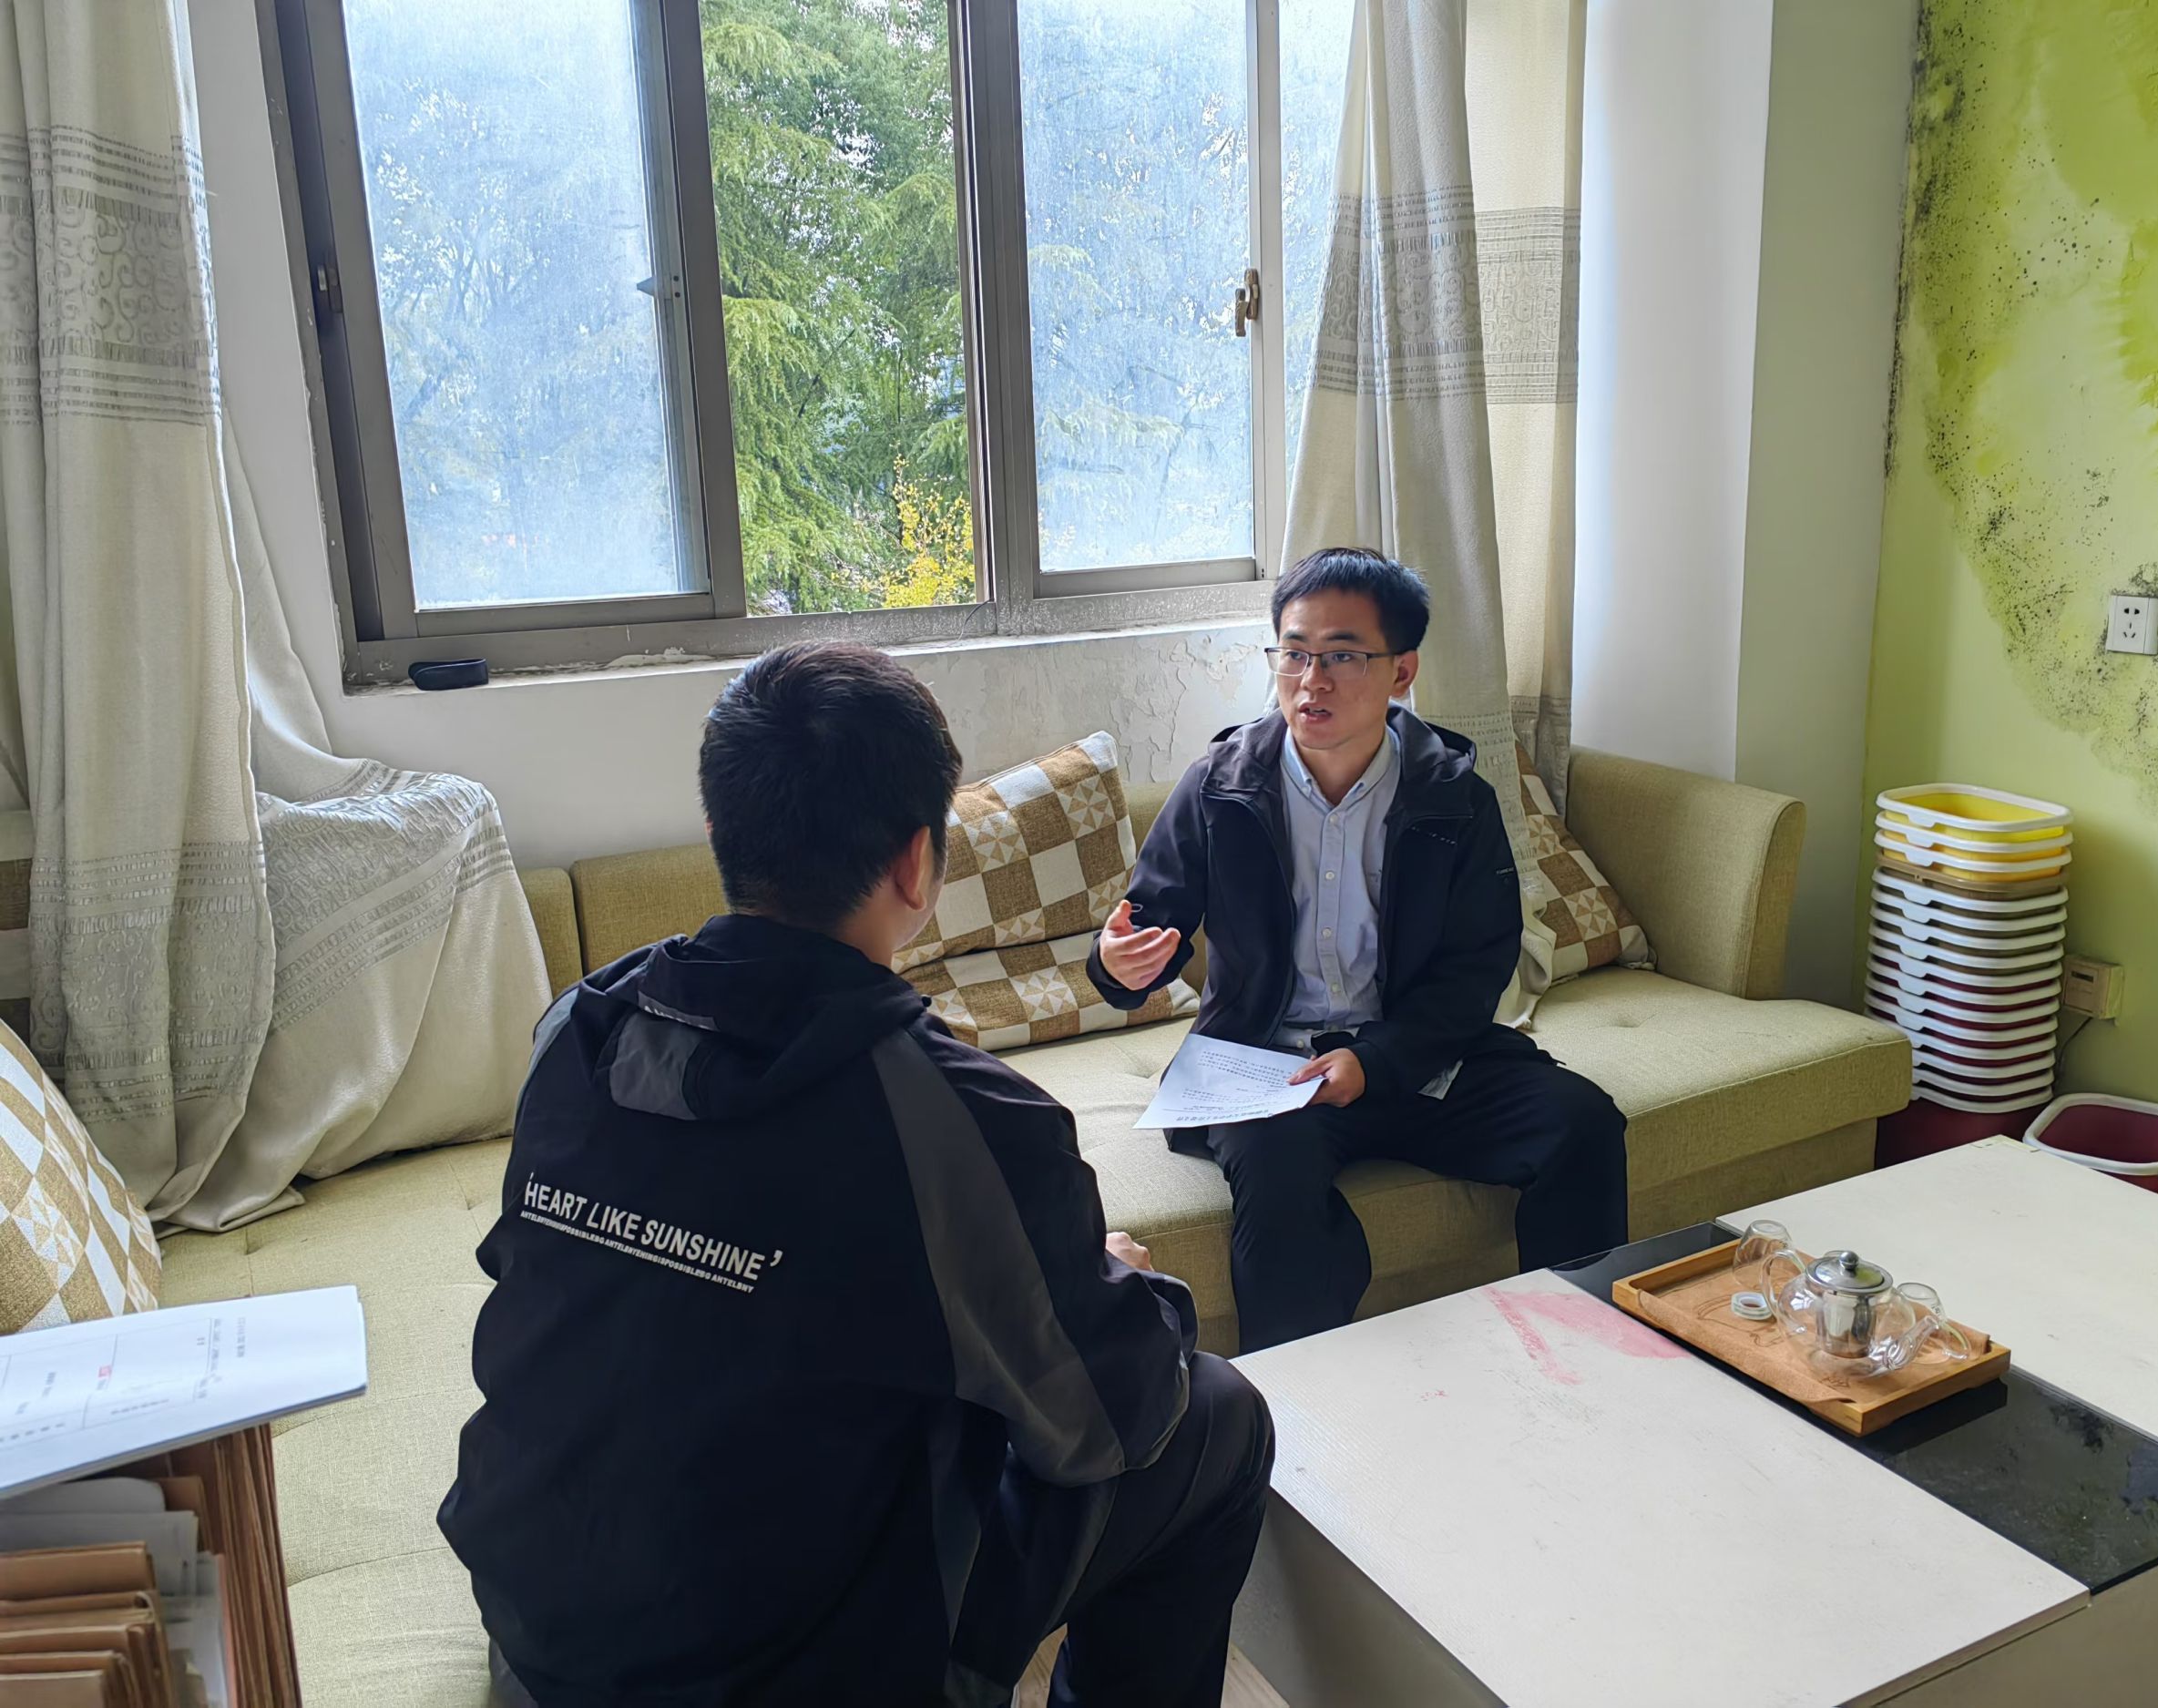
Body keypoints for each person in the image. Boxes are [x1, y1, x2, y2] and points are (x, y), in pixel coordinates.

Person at [440, 642, 1273, 1708]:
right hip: (802, 1673)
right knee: (1212, 1415)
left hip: (541, 1634)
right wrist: (1118, 1286)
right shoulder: (958, 1116)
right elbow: (1108, 1423)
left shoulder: (578, 1029)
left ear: (719, 834)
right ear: (918, 864)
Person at [1088, 546, 1629, 1354]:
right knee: (1277, 1185)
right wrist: (1117, 964)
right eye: (1294, 653)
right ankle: (1300, 1408)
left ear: (1401, 670)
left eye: (1343, 656)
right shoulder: (1220, 786)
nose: (1312, 680)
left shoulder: (1454, 796)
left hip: (1414, 1059)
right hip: (1271, 1068)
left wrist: (1378, 1061)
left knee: (1581, 1124)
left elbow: (1478, 964)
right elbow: (1146, 932)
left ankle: (1582, 1354)